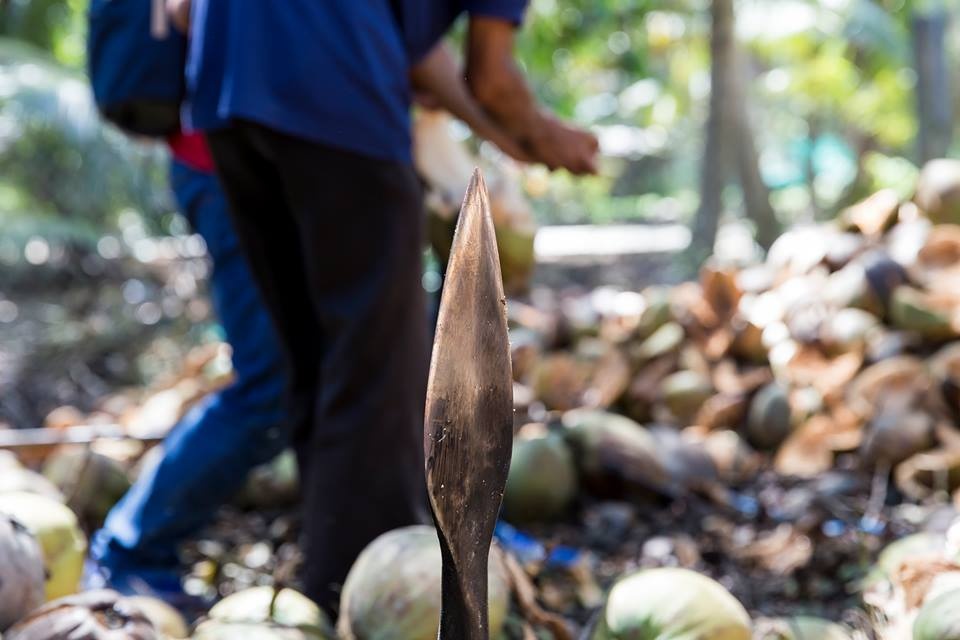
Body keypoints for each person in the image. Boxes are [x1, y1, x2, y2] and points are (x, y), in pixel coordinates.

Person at [184, 0, 599, 613]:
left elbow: (423, 55)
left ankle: (326, 581)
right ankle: (362, 598)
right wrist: (545, 135)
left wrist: (504, 134)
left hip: (227, 89)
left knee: (314, 357)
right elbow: (493, 77)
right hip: (338, 94)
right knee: (375, 370)